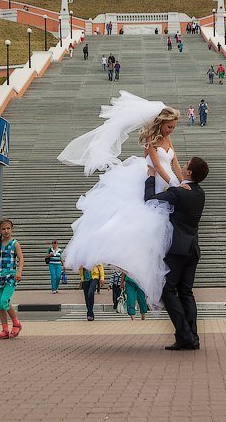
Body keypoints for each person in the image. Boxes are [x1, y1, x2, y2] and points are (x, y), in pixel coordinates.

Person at [58, 92, 184, 307]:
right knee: (138, 225)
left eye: (173, 127)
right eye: (169, 127)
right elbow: (158, 166)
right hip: (153, 183)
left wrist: (182, 181)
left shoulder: (168, 139)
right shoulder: (150, 142)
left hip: (169, 183)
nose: (171, 130)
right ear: (161, 123)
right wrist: (172, 183)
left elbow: (175, 163)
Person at [145, 156, 210, 350]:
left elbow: (149, 200)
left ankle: (184, 335)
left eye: (186, 164)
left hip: (177, 249)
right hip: (192, 249)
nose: (182, 165)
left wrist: (150, 177)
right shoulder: (200, 193)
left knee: (167, 290)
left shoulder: (180, 193)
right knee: (186, 292)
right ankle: (192, 337)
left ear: (189, 172)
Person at [0, 218, 24, 339]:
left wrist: (19, 272)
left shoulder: (15, 243)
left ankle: (16, 323)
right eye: (3, 229)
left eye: (8, 228)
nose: (6, 231)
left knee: (4, 301)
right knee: (0, 305)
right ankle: (5, 330)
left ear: (12, 229)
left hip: (11, 276)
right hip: (0, 276)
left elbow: (21, 259)